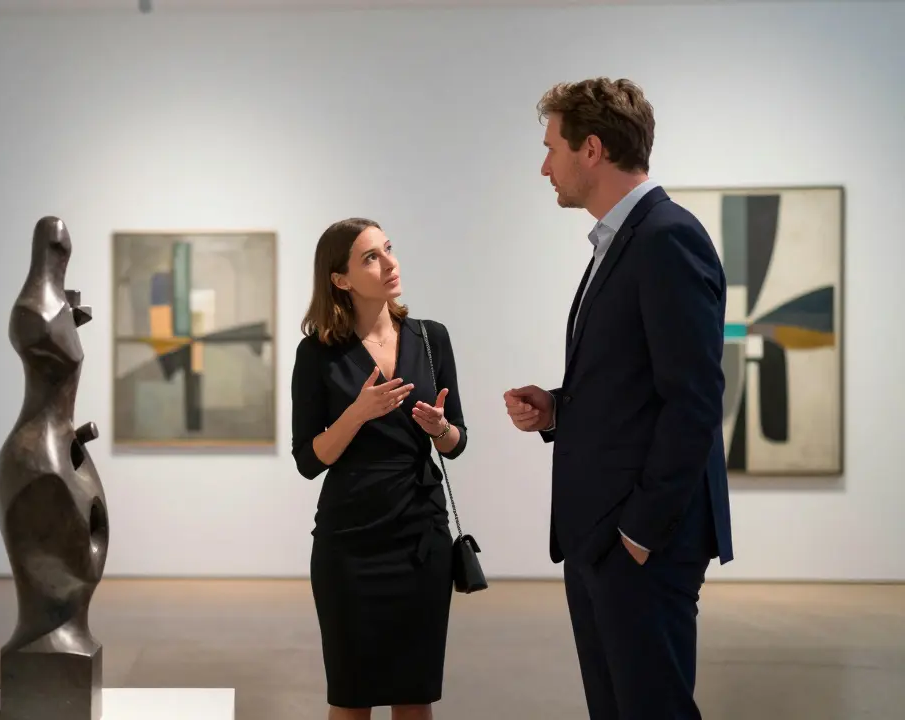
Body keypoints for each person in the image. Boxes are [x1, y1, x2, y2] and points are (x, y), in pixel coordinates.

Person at [503, 77, 734, 720]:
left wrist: (640, 532)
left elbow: (693, 399)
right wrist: (556, 405)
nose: (544, 165)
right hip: (601, 534)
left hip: (639, 540)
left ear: (593, 150)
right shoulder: (622, 242)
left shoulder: (665, 238)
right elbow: (633, 380)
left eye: (552, 147)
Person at [290, 217, 467, 720]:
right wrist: (357, 413)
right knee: (350, 697)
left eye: (388, 249)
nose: (390, 263)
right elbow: (308, 460)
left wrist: (438, 428)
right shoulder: (318, 354)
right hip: (350, 545)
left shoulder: (431, 339)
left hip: (421, 541)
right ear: (340, 280)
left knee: (415, 696)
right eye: (371, 256)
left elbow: (457, 443)